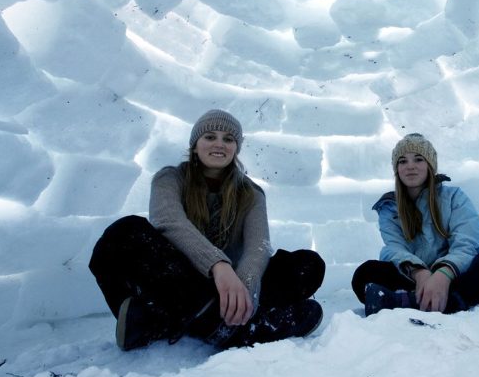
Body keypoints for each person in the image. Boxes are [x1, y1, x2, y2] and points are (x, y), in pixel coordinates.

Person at [89, 109, 325, 350]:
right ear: (195, 144)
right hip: (178, 280)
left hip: (232, 285)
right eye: (210, 137)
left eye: (228, 139)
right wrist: (218, 266)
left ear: (236, 147)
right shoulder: (169, 179)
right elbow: (169, 222)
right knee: (123, 234)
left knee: (307, 264)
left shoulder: (251, 193)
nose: (219, 144)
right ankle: (228, 326)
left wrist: (243, 289)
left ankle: (188, 319)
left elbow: (258, 246)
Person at [351, 133, 479, 316]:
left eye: (418, 159)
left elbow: (469, 243)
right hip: (416, 281)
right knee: (365, 274)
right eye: (403, 161)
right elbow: (394, 249)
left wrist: (444, 274)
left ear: (430, 165)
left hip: (460, 274)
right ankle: (469, 297)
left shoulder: (453, 197)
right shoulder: (389, 208)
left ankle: (424, 301)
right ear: (396, 169)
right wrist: (420, 273)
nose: (410, 166)